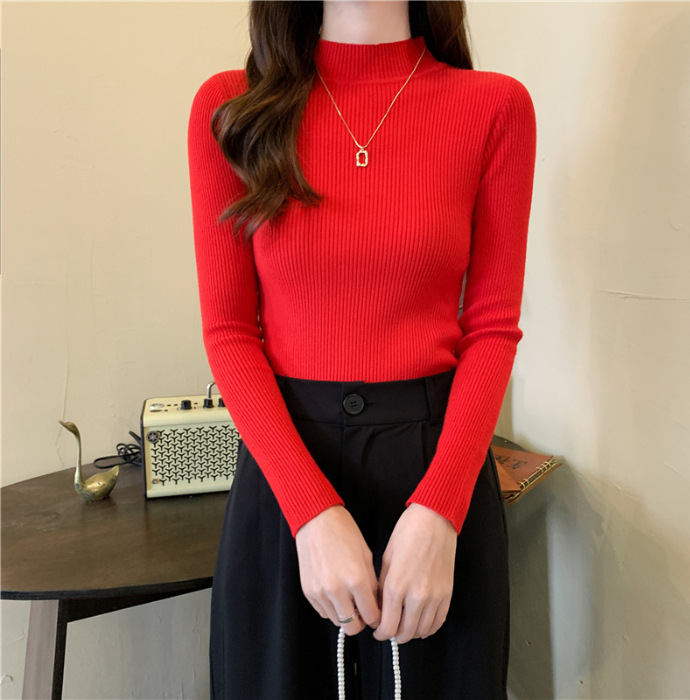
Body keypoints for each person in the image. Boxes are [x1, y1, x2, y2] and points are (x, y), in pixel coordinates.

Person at [187, 1, 536, 697]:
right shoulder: (230, 108)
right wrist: (310, 513)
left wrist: (441, 510)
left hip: (437, 491)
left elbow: (492, 327)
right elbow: (229, 332)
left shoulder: (495, 107)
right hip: (287, 489)